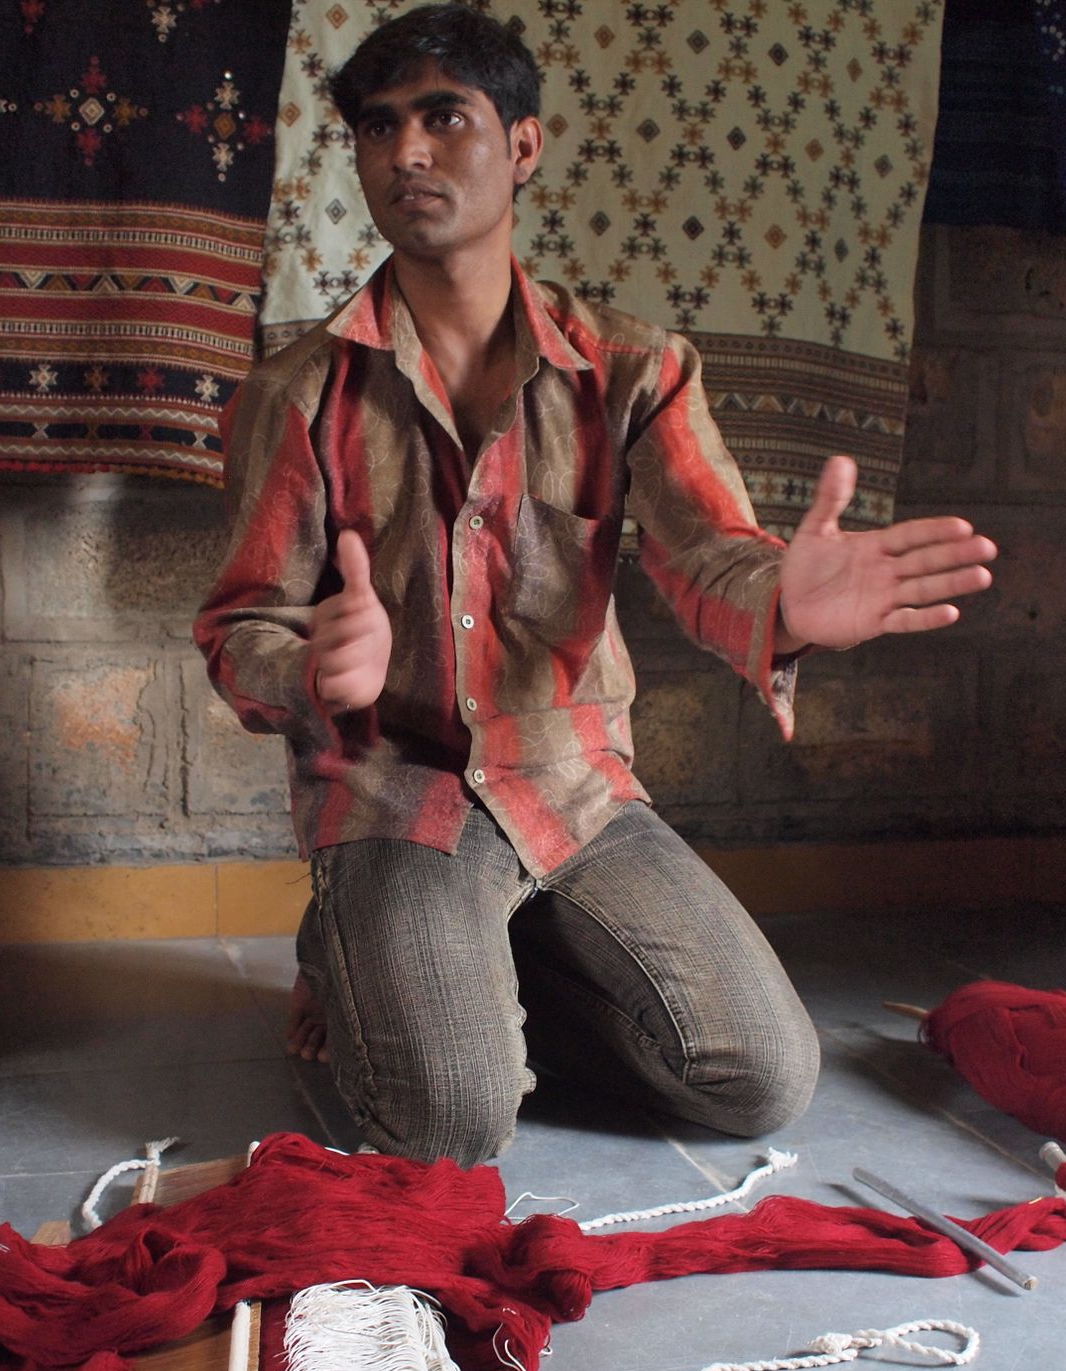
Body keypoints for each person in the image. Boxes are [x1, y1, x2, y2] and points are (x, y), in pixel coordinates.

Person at [194, 4, 995, 1167]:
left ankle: (458, 970)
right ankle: (361, 945)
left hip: (573, 792)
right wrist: (311, 666)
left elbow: (710, 559)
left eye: (441, 118)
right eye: (377, 128)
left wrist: (784, 607)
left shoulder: (635, 369)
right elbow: (239, 629)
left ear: (521, 145)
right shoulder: (296, 393)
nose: (405, 153)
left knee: (760, 1079)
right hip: (390, 796)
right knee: (455, 1122)